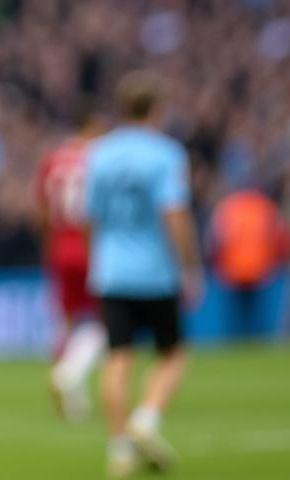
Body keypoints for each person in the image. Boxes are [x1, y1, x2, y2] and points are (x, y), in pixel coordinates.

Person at [84, 72, 203, 477]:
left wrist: (97, 257)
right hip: (154, 270)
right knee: (172, 353)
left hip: (111, 270)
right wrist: (190, 267)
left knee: (118, 357)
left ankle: (119, 450)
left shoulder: (99, 153)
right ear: (157, 109)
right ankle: (146, 419)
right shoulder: (166, 153)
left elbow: (89, 216)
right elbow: (175, 213)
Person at [34, 106, 107, 421]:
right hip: (92, 245)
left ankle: (73, 401)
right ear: (91, 124)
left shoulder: (52, 160)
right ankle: (69, 374)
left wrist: (48, 247)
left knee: (65, 319)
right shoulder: (100, 158)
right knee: (104, 321)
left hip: (59, 247)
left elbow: (41, 212)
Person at [208, 186, 290, 340]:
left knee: (236, 320)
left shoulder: (227, 207)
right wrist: (278, 263)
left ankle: (237, 344)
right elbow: (282, 239)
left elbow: (215, 241)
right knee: (258, 319)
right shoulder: (266, 206)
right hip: (260, 271)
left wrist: (217, 266)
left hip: (233, 271)